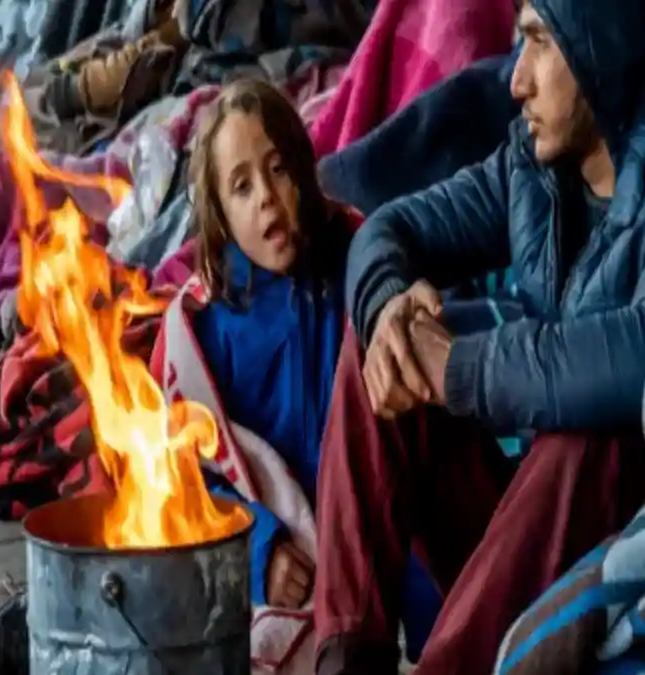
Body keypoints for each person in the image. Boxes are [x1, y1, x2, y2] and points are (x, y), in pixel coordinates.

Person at [312, 0, 645, 673]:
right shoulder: (533, 166)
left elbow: (633, 355)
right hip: (534, 535)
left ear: (598, 46)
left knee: (590, 433)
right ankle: (345, 660)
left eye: (540, 43)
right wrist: (387, 315)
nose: (515, 79)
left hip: (618, 543)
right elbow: (386, 229)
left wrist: (458, 367)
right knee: (387, 347)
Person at [148, 78, 440, 673]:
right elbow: (187, 475)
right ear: (220, 217)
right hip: (289, 560)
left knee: (451, 621)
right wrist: (261, 549)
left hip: (381, 530)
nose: (266, 199)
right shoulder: (208, 331)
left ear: (304, 173)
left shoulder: (356, 262)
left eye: (278, 170)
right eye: (242, 186)